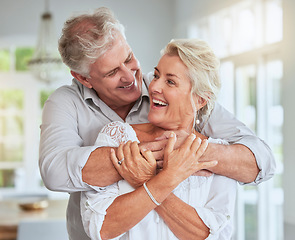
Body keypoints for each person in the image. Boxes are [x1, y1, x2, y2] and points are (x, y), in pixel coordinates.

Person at [39, 7, 275, 240]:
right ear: (83, 78)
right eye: (112, 72)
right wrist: (160, 157)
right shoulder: (68, 105)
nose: (131, 76)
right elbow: (55, 172)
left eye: (129, 58)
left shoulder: (181, 95)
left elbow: (261, 161)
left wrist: (197, 152)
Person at [81, 38, 237, 240]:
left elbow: (209, 235)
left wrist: (147, 180)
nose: (153, 87)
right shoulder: (117, 136)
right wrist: (163, 182)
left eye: (170, 81)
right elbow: (101, 228)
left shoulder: (218, 155)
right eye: (156, 75)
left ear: (200, 100)